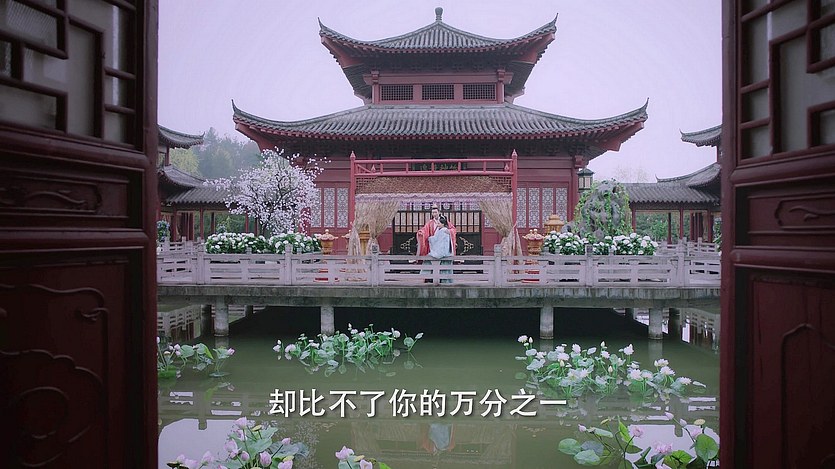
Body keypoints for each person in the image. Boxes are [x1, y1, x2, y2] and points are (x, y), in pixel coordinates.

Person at [415, 205, 456, 283]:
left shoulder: (444, 221)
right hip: (433, 246)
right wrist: (421, 233)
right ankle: (429, 279)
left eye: (435, 212)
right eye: (433, 212)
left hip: (442, 247)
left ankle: (442, 279)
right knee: (430, 262)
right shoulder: (430, 223)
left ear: (439, 212)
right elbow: (425, 230)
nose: (434, 214)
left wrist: (450, 231)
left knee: (443, 263)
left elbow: (453, 230)